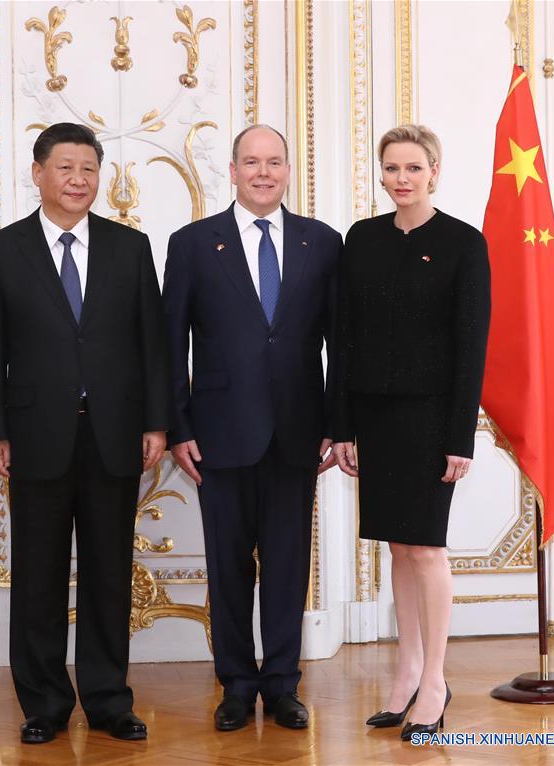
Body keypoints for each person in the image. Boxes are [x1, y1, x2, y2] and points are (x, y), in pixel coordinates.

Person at [0, 123, 170, 744]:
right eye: (65, 167)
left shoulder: (130, 247)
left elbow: (153, 345)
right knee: (38, 576)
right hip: (34, 437)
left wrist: (157, 422)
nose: (78, 179)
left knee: (110, 572)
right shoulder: (0, 251)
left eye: (89, 168)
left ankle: (110, 700)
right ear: (38, 173)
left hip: (115, 435)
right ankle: (44, 704)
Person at [162, 124, 342, 731]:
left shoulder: (324, 243)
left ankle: (284, 685)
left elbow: (340, 344)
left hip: (298, 433)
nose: (263, 172)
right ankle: (236, 685)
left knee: (289, 566)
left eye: (274, 162)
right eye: (251, 162)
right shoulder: (192, 244)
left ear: (288, 171)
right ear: (233, 171)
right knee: (229, 567)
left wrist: (336, 423)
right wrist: (178, 427)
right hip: (218, 434)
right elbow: (170, 345)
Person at [332, 125, 491, 742]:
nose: (402, 178)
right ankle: (406, 674)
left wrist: (460, 436)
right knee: (396, 547)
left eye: (413, 168)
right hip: (374, 416)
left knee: (425, 548)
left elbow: (470, 348)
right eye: (391, 168)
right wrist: (342, 425)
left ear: (435, 171)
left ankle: (435, 682)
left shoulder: (462, 243)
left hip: (432, 419)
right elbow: (343, 339)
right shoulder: (362, 239)